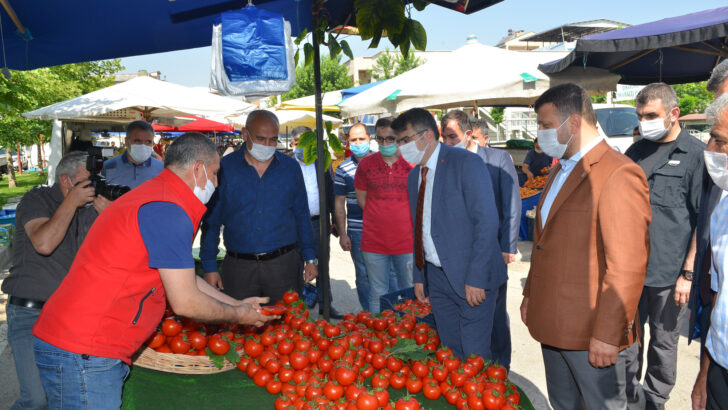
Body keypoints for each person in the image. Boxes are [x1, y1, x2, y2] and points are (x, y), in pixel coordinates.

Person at [32, 133, 275, 409]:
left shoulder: (159, 196)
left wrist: (238, 304)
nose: (217, 183)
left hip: (86, 345)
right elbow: (186, 301)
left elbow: (184, 278)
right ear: (197, 169)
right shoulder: (167, 209)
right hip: (85, 348)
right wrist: (238, 315)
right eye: (215, 174)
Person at [520, 83, 651, 409]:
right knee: (564, 404)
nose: (540, 134)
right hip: (553, 325)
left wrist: (608, 334)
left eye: (545, 125)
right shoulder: (558, 170)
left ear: (574, 123)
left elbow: (627, 266)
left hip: (591, 333)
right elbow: (543, 242)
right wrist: (529, 296)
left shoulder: (618, 173)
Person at [393, 108, 505, 361]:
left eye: (405, 140)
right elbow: (419, 228)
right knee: (450, 353)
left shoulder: (466, 163)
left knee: (475, 357)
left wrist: (476, 278)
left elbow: (486, 223)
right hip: (437, 277)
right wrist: (419, 275)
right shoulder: (414, 176)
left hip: (472, 276)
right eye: (398, 141)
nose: (401, 148)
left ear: (428, 136)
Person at [1, 152, 110, 410]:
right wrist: (71, 202)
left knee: (64, 395)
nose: (93, 188)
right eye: (87, 182)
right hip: (29, 312)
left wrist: (110, 216)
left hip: (69, 316)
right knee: (36, 398)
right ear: (66, 181)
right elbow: (44, 243)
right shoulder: (37, 198)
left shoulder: (89, 210)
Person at [623, 83, 705, 410]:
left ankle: (653, 403)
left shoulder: (696, 156)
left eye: (652, 115)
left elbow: (702, 219)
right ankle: (628, 401)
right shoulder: (635, 152)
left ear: (674, 114)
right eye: (641, 116)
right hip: (631, 270)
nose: (645, 122)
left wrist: (687, 272)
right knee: (627, 342)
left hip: (669, 275)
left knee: (663, 344)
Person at [201, 110, 317, 303]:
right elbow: (211, 222)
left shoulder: (290, 168)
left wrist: (310, 258)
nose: (268, 145)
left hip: (284, 266)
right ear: (245, 135)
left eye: (273, 140)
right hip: (239, 269)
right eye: (261, 139)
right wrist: (210, 266)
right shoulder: (225, 168)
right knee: (240, 329)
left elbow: (301, 215)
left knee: (286, 327)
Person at [440, 109, 520, 369]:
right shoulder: (445, 163)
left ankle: (501, 367)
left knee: (495, 316)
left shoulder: (497, 159)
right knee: (470, 317)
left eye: (452, 137)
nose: (448, 144)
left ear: (469, 135)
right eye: (444, 138)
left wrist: (508, 246)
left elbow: (511, 202)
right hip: (461, 253)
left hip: (493, 251)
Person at [691, 62, 728, 410]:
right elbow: (717, 300)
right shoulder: (723, 209)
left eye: (721, 141)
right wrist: (704, 373)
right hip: (719, 365)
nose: (711, 151)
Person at [354, 117, 414, 314]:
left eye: (390, 139)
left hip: (407, 242)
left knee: (410, 293)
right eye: (381, 139)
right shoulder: (365, 165)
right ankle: (377, 335)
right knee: (377, 293)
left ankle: (408, 336)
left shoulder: (413, 164)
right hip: (374, 242)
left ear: (399, 138)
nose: (385, 144)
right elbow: (362, 201)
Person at [290, 126, 343, 319]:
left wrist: (334, 220)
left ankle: (325, 305)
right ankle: (296, 308)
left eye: (308, 144)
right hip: (293, 225)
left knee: (322, 265)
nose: (303, 149)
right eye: (298, 144)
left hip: (318, 223)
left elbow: (330, 192)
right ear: (292, 144)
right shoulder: (286, 165)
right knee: (295, 266)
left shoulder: (322, 163)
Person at [334, 123, 375, 311]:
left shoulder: (383, 163)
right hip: (357, 231)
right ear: (348, 142)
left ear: (370, 139)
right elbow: (339, 203)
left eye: (361, 139)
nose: (358, 143)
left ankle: (389, 315)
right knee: (363, 274)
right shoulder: (343, 169)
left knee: (389, 273)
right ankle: (370, 314)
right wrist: (343, 234)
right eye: (353, 140)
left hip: (384, 230)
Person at [101, 121, 164, 188]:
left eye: (148, 142)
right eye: (137, 141)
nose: (143, 146)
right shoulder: (108, 166)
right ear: (126, 142)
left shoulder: (162, 169)